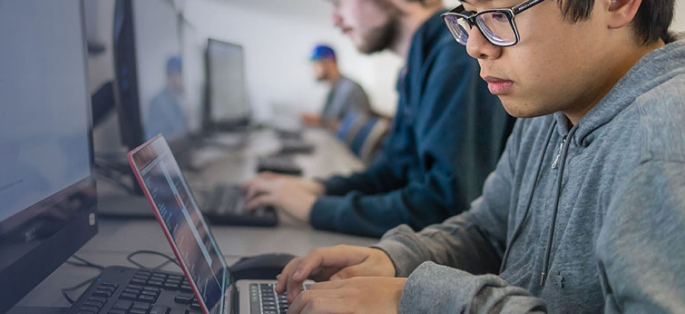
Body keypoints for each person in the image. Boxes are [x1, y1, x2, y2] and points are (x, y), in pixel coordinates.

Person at [274, 0, 685, 312]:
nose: (474, 46)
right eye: (469, 18)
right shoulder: (550, 107)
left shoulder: (662, 147)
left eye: (499, 14)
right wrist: (393, 259)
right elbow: (489, 231)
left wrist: (418, 298)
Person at [244, 0, 515, 237]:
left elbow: (447, 205)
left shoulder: (456, 58)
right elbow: (391, 172)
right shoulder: (416, 68)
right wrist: (318, 188)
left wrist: (313, 209)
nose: (335, 20)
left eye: (339, 3)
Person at [301, 44, 372, 132]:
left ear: (330, 63)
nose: (312, 69)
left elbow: (357, 130)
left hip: (343, 145)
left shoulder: (351, 89)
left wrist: (322, 121)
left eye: (316, 63)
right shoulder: (333, 88)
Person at [145, 56, 188, 140]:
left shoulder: (178, 102)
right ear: (172, 76)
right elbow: (153, 139)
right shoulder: (157, 103)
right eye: (181, 75)